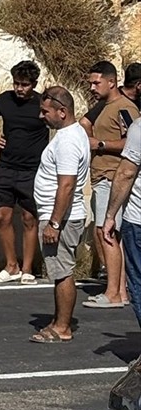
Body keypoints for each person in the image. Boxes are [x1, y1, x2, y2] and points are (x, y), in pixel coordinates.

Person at [30, 86, 90, 343]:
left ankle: (63, 327)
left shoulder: (67, 141)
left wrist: (54, 223)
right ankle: (59, 321)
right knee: (59, 271)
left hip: (62, 218)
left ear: (62, 112)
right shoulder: (73, 134)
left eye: (46, 112)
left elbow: (66, 184)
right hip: (61, 216)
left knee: (62, 272)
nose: (42, 116)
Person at [0, 60, 48, 284]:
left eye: (25, 84)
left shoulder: (42, 103)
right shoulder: (4, 99)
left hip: (32, 170)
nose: (20, 88)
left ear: (34, 84)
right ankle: (11, 267)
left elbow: (60, 122)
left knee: (30, 218)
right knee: (3, 216)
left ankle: (28, 268)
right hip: (6, 167)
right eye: (16, 83)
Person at [80, 61, 138, 309]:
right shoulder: (104, 106)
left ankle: (114, 292)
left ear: (111, 82)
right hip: (102, 177)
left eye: (97, 82)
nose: (92, 87)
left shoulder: (124, 107)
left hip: (112, 177)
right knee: (110, 234)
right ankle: (120, 291)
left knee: (108, 232)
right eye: (91, 83)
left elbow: (131, 143)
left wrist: (100, 144)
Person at [104, 111, 141, 329]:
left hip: (138, 221)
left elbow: (126, 173)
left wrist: (110, 215)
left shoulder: (138, 128)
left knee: (138, 283)